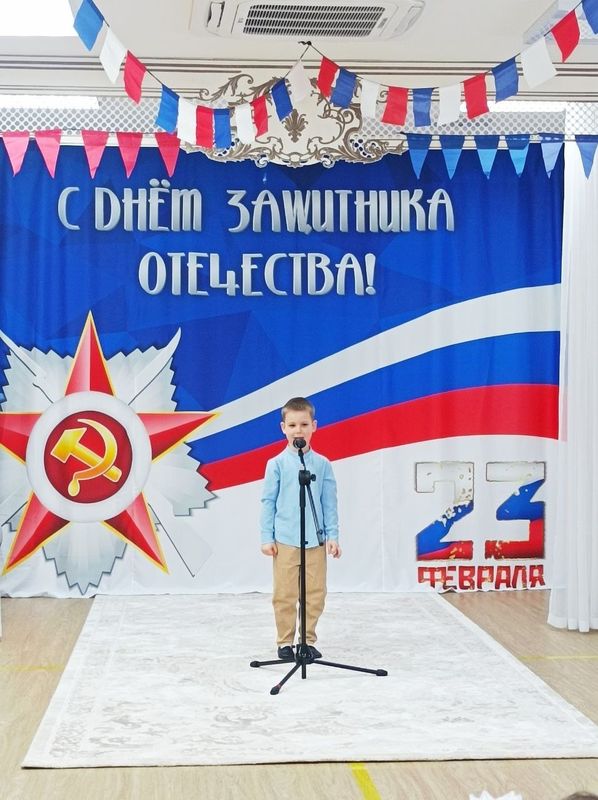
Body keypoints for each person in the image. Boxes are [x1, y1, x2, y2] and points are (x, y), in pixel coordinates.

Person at [260, 396, 341, 661]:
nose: (298, 431)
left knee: (315, 593)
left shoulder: (322, 464)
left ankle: (306, 640)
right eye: (292, 425)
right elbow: (268, 502)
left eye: (304, 425)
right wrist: (267, 537)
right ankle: (285, 641)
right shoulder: (276, 464)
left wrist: (332, 535)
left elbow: (329, 503)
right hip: (285, 540)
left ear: (314, 426)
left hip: (315, 541)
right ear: (283, 428)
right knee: (285, 593)